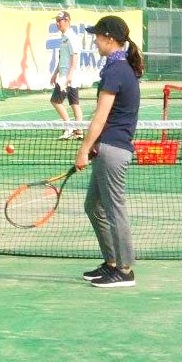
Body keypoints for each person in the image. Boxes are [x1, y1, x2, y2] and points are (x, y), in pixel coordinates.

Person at [77, 15, 143, 288]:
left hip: (113, 149)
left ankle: (125, 271)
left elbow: (101, 116)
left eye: (98, 36)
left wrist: (84, 149)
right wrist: (94, 145)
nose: (95, 40)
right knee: (93, 206)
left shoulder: (117, 70)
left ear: (110, 38)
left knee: (115, 209)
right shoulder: (117, 68)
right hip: (108, 147)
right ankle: (112, 262)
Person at [51, 10, 84, 140]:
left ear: (67, 21)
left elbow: (74, 55)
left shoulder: (71, 36)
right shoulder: (64, 37)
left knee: (55, 101)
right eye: (57, 21)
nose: (57, 23)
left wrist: (70, 74)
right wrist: (55, 74)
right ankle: (79, 131)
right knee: (74, 103)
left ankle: (69, 128)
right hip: (65, 74)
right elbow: (62, 58)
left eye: (60, 21)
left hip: (68, 76)